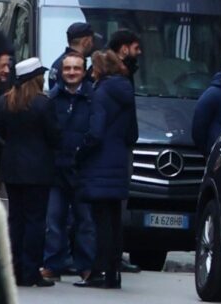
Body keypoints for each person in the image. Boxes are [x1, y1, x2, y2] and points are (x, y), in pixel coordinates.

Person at [0, 62, 62, 285]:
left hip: (12, 169)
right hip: (38, 171)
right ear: (37, 78)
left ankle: (13, 269)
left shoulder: (6, 101)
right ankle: (30, 270)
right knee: (35, 221)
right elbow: (55, 136)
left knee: (15, 220)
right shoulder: (43, 104)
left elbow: (0, 131)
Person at [77, 51, 136, 291]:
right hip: (118, 160)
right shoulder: (126, 91)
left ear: (100, 69)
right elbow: (133, 133)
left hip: (99, 163)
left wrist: (80, 151)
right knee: (114, 221)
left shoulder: (100, 93)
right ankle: (114, 273)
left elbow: (96, 132)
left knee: (101, 220)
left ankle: (99, 271)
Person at [42, 57, 94, 286]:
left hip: (83, 169)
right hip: (56, 169)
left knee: (85, 222)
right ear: (61, 72)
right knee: (54, 220)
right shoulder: (52, 98)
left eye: (76, 68)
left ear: (84, 71)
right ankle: (53, 265)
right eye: (67, 68)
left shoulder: (93, 97)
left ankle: (86, 267)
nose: (72, 72)